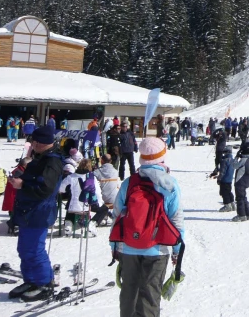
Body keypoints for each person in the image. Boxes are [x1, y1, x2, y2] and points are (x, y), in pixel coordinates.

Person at [110, 136, 185, 317]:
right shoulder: (169, 184)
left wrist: (115, 247)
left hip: (128, 246)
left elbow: (117, 215)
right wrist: (176, 250)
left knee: (129, 293)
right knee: (150, 296)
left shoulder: (129, 183)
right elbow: (176, 220)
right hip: (157, 249)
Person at [8, 126, 64, 302]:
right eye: (33, 141)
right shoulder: (40, 158)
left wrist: (22, 185)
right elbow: (36, 180)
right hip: (29, 209)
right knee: (24, 249)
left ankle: (44, 284)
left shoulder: (52, 161)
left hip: (39, 211)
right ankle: (31, 280)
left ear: (43, 143)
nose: (33, 144)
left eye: (35, 141)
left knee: (34, 249)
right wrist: (20, 179)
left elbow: (45, 188)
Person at [59, 158, 109, 237]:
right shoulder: (92, 178)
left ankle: (68, 223)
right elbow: (98, 193)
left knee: (72, 203)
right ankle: (93, 224)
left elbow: (61, 189)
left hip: (73, 206)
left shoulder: (71, 177)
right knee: (104, 209)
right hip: (87, 205)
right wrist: (99, 203)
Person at [4, 157, 30, 235]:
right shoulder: (19, 173)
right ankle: (13, 223)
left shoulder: (20, 171)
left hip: (16, 196)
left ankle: (14, 223)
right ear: (25, 165)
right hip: (15, 197)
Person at [232, 141, 249, 222]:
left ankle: (241, 215)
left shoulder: (243, 160)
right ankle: (248, 214)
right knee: (244, 197)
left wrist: (236, 157)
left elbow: (234, 166)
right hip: (246, 180)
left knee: (239, 198)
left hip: (240, 181)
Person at [210, 146, 235, 212]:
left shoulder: (225, 161)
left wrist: (219, 178)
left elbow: (223, 171)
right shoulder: (232, 160)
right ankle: (232, 204)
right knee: (229, 191)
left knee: (224, 193)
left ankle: (227, 205)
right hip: (229, 179)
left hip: (224, 179)